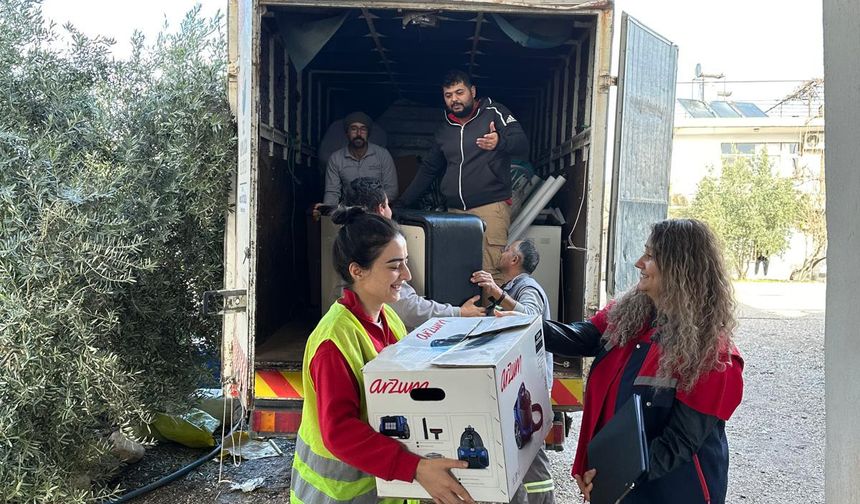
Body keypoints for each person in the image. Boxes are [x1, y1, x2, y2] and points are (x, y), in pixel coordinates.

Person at [540, 219, 744, 504]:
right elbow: (583, 336)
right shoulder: (633, 314)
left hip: (670, 493)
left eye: (650, 256)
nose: (638, 263)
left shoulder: (713, 356)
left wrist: (611, 477)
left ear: (677, 268)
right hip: (623, 484)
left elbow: (678, 443)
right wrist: (528, 327)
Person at [290, 206, 474, 504]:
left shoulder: (389, 318)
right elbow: (339, 433)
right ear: (357, 270)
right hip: (340, 496)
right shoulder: (333, 342)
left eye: (405, 263)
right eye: (394, 266)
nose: (407, 274)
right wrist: (414, 468)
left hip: (386, 489)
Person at [397, 70, 529, 284]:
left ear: (472, 91)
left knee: (491, 273)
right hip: (455, 213)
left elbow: (522, 143)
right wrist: (402, 202)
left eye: (459, 92)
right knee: (459, 274)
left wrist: (500, 142)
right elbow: (429, 169)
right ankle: (465, 317)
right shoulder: (445, 129)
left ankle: (492, 318)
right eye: (448, 95)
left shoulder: (494, 112)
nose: (454, 99)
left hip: (490, 208)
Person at [472, 239, 556, 503]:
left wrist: (497, 293)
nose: (502, 252)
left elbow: (531, 314)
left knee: (530, 449)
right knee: (516, 448)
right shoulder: (513, 287)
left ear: (515, 260)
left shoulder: (527, 287)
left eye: (508, 249)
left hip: (528, 382)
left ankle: (543, 500)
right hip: (517, 380)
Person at [343, 177, 484, 329]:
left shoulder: (345, 237)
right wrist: (458, 312)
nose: (407, 275)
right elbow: (407, 309)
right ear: (381, 208)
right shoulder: (381, 244)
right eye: (395, 266)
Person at [317, 111, 398, 209]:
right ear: (347, 133)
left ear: (368, 133)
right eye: (354, 129)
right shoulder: (336, 159)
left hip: (377, 211)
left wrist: (372, 206)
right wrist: (328, 211)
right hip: (349, 213)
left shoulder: (383, 155)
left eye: (363, 129)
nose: (359, 133)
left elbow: (392, 191)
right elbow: (332, 193)